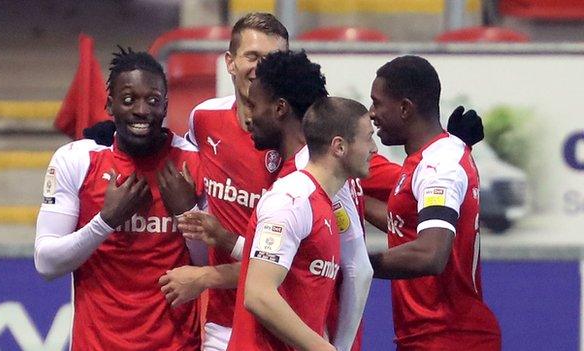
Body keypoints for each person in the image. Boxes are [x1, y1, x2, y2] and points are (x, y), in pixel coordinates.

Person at [165, 49, 373, 351]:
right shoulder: (302, 180)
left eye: (253, 104)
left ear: (279, 109)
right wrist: (226, 240)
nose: (249, 117)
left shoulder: (307, 184)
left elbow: (357, 270)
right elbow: (280, 261)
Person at [34, 47, 204, 350]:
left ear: (165, 106)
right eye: (129, 100)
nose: (141, 110)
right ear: (109, 105)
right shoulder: (77, 160)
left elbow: (207, 265)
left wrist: (187, 213)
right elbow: (46, 262)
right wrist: (106, 221)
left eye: (152, 100)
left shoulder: (193, 162)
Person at [367, 55, 501, 350]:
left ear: (405, 108)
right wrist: (349, 200)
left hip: (451, 337)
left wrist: (354, 265)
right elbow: (401, 223)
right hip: (428, 337)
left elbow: (430, 254)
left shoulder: (439, 166)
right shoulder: (427, 159)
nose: (371, 113)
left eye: (377, 103)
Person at [228, 96, 377, 351]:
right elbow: (258, 295)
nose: (374, 148)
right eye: (368, 138)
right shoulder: (291, 200)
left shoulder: (324, 205)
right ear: (339, 147)